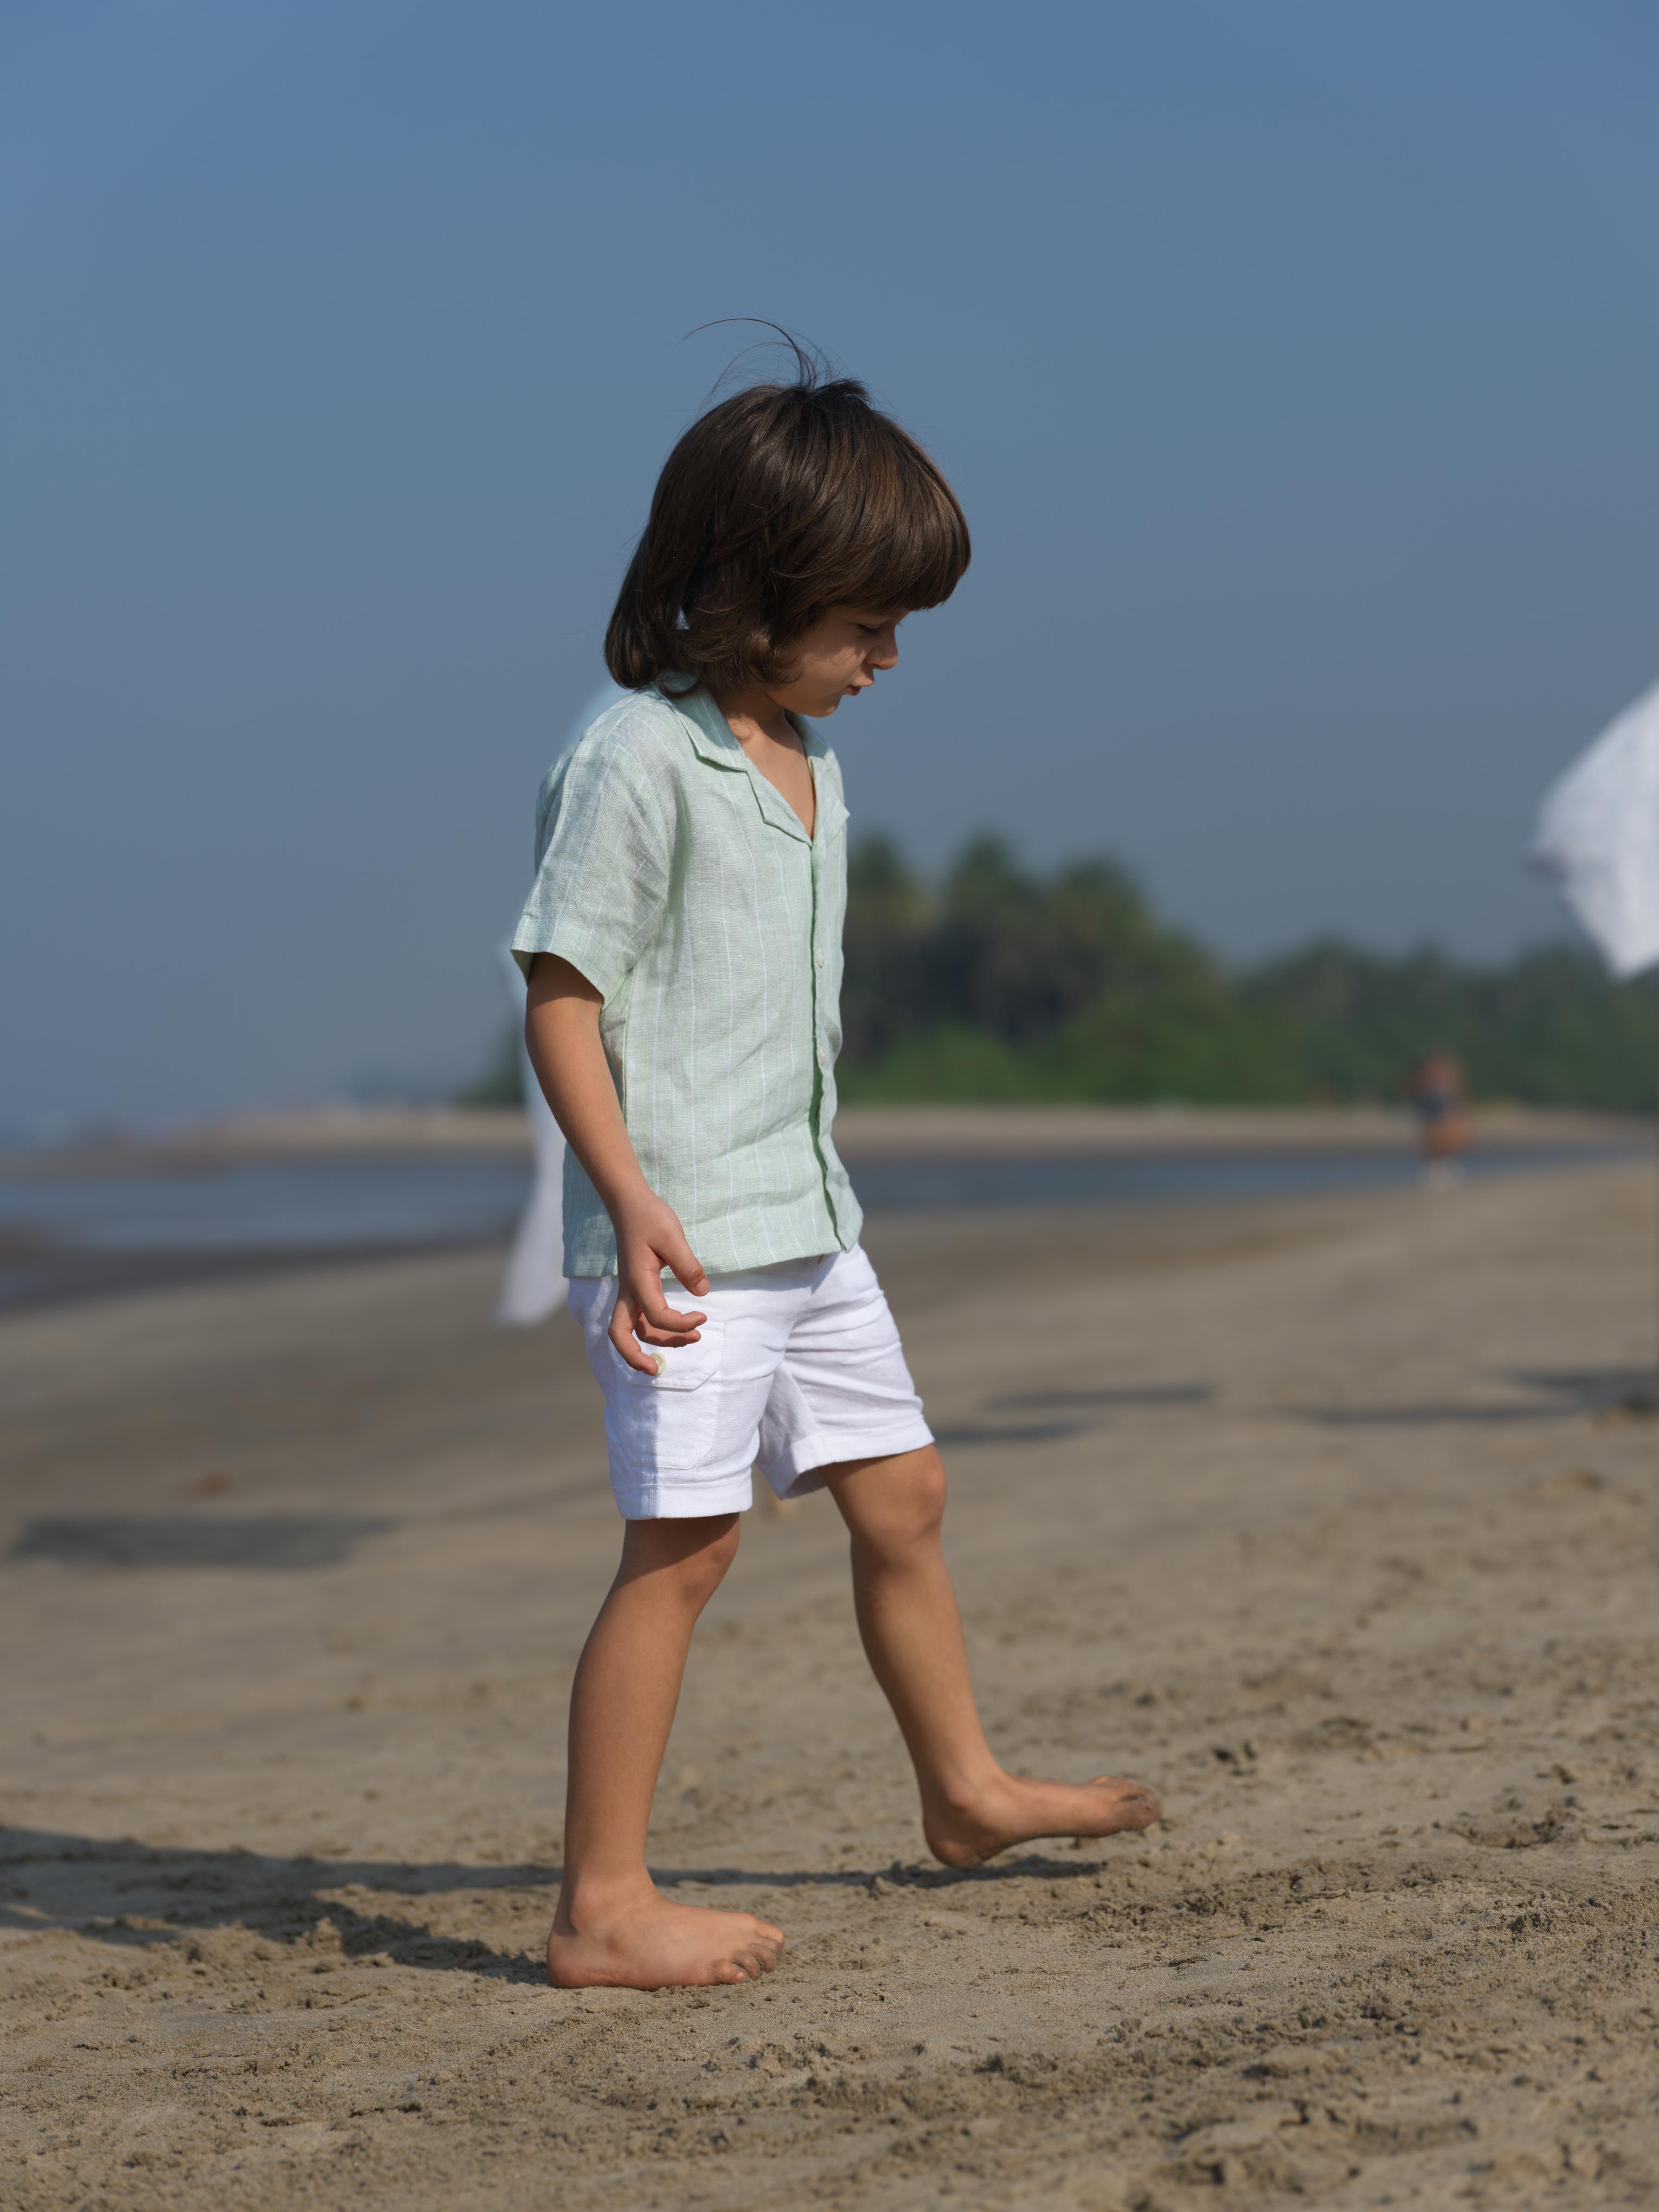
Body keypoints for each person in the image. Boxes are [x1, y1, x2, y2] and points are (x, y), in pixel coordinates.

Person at [513, 358, 1161, 1992]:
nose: (887, 658)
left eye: (901, 627)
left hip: (807, 1218)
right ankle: (601, 1901)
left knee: (907, 1493)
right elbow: (564, 994)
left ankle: (964, 1787)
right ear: (747, 593)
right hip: (685, 1239)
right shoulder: (636, 758)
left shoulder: (809, 758)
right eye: (865, 622)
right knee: (685, 1544)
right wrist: (632, 1204)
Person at [1405, 1051, 1469, 1188]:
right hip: (1435, 1119)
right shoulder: (1429, 1084)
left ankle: (1444, 1174)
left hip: (1443, 1120)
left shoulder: (1446, 1085)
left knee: (1443, 1147)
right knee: (1434, 1146)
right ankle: (1436, 1175)